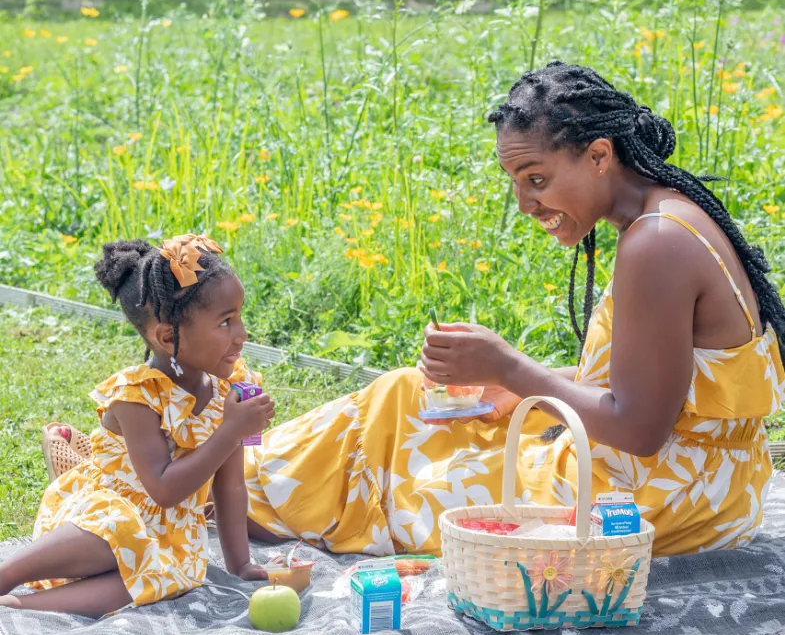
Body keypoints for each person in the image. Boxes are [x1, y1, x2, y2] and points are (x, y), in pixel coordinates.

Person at [41, 62, 785, 560]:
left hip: (655, 495)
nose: (526, 205)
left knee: (413, 475)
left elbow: (641, 428)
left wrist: (512, 368)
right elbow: (659, 389)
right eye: (516, 183)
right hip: (699, 473)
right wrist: (511, 388)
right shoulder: (659, 219)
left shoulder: (654, 245)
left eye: (535, 178)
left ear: (597, 154)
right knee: (406, 397)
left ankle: (182, 484)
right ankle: (219, 466)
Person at [0, 235, 272, 617]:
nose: (242, 334)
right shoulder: (137, 396)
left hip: (166, 534)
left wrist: (240, 564)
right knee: (122, 530)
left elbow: (230, 485)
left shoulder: (233, 389)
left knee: (160, 579)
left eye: (240, 316)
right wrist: (231, 431)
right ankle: (7, 575)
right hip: (102, 514)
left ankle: (17, 607)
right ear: (167, 336)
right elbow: (162, 489)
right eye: (226, 322)